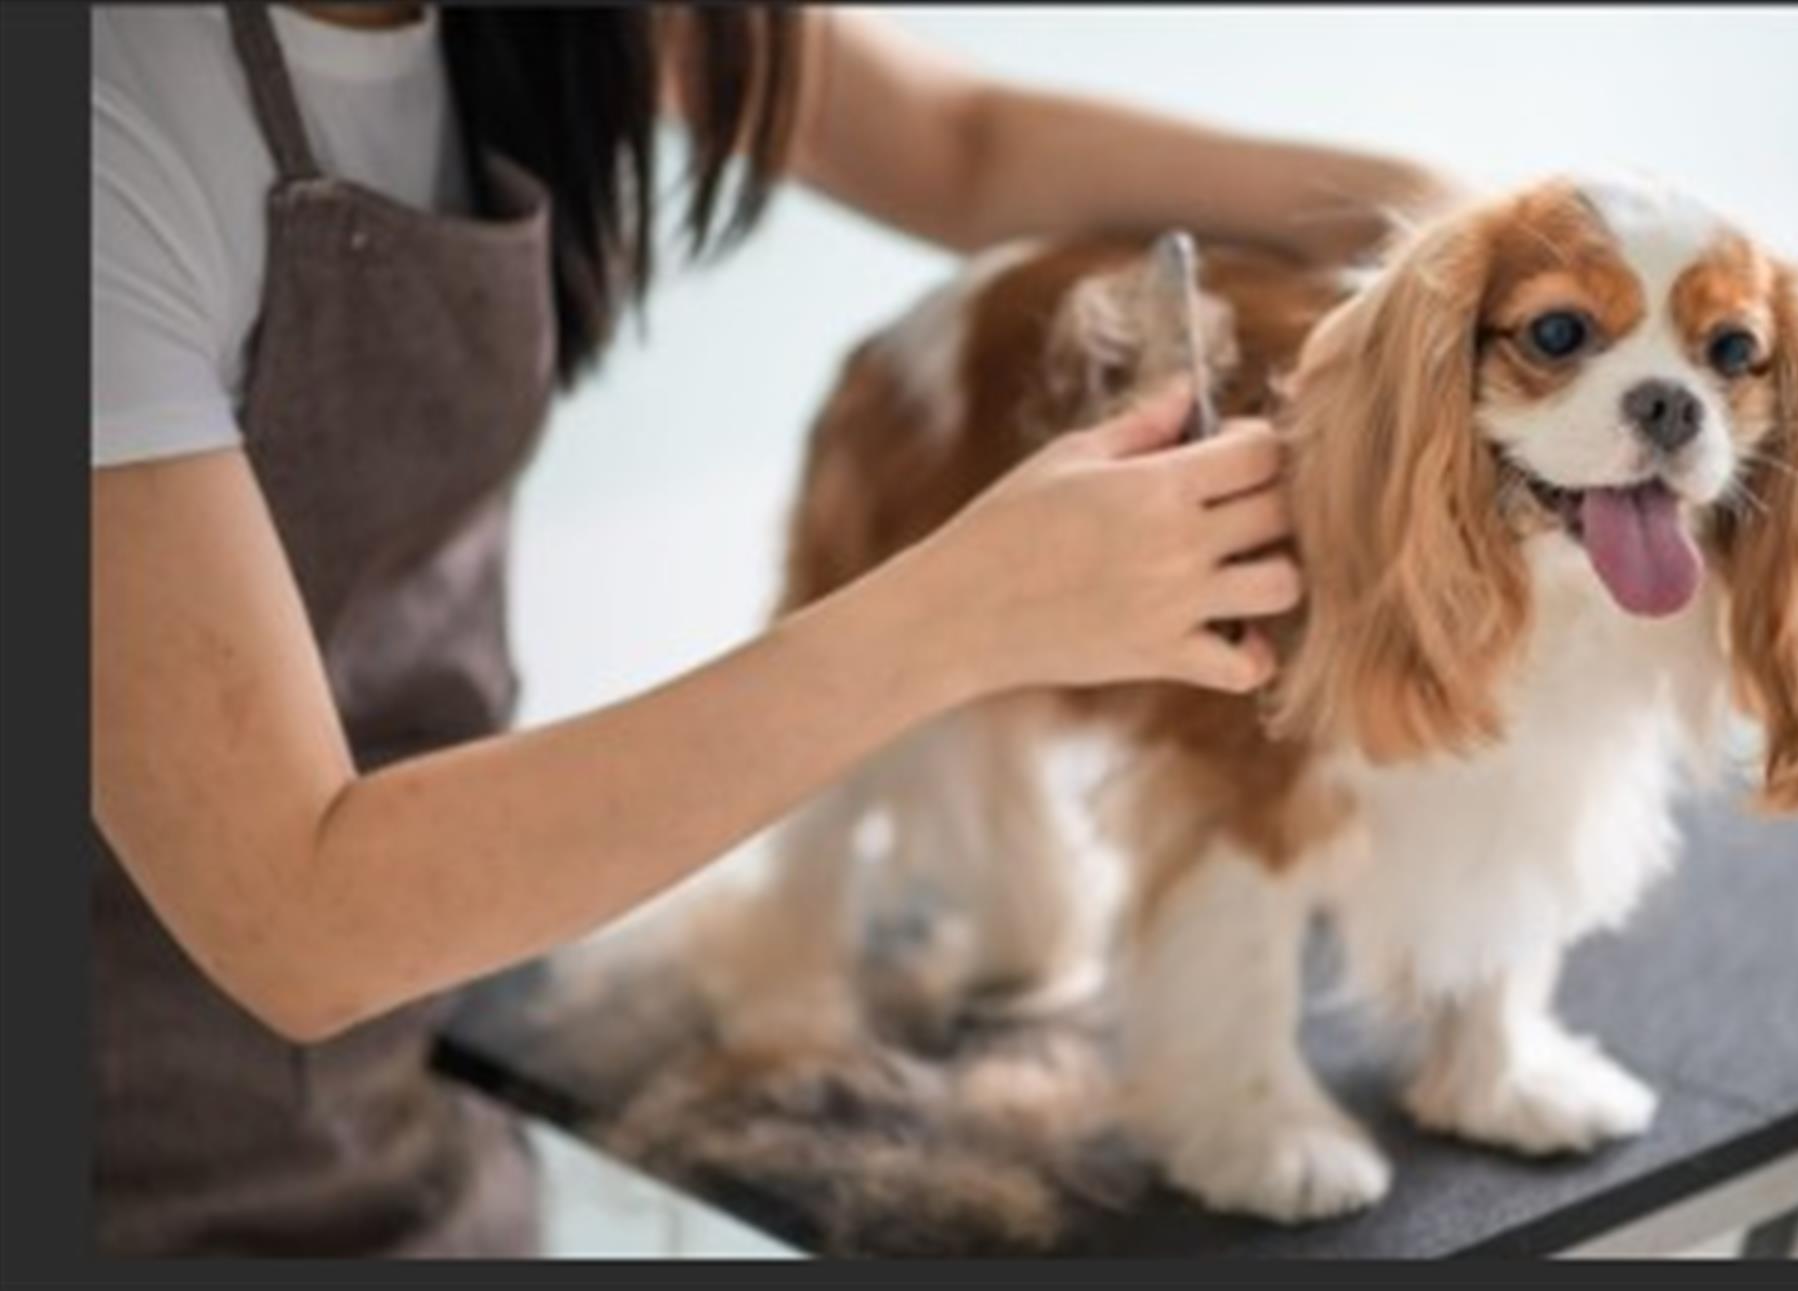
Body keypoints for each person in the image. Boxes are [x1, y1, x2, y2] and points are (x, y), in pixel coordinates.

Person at [90, 3, 1453, 1256]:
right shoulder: (105, 129)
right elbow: (302, 919)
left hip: (418, 1111)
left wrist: (1440, 232)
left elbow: (962, 147)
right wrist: (965, 609)